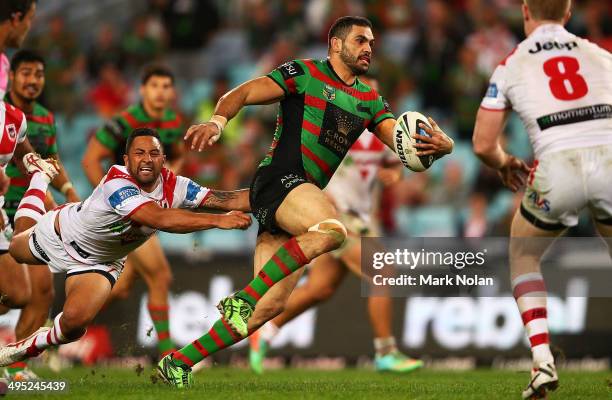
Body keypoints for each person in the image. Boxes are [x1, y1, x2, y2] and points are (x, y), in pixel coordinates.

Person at [157, 16, 453, 387]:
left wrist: (442, 148)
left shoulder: (370, 100)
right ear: (335, 44)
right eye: (360, 41)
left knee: (270, 307)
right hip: (278, 180)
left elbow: (404, 147)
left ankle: (180, 361)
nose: (368, 49)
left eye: (372, 43)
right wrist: (217, 122)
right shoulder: (305, 72)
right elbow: (245, 93)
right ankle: (243, 298)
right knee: (332, 230)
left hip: (296, 199)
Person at [0, 128, 252, 368]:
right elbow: (159, 219)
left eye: (154, 154)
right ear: (126, 159)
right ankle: (40, 178)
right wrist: (219, 220)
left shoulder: (176, 185)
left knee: (74, 324)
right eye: (139, 153)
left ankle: (25, 348)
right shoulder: (116, 181)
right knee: (16, 245)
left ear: (163, 159)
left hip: (102, 262)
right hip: (61, 235)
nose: (146, 159)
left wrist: (276, 193)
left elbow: (227, 198)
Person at [472, 1, 612, 398]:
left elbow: (483, 143)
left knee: (524, 254)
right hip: (609, 159)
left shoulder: (512, 63)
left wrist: (505, 162)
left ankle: (542, 361)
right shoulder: (600, 54)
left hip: (557, 166)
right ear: (568, 14)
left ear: (525, 11)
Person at [249, 78, 422, 374]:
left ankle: (263, 331)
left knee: (320, 288)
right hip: (335, 217)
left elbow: (395, 165)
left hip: (365, 220)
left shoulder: (382, 134)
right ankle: (385, 351)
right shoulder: (339, 131)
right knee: (382, 271)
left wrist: (395, 178)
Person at [82, 65, 184, 358]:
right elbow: (91, 160)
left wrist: (169, 179)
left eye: (166, 87)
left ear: (172, 92)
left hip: (146, 213)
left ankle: (59, 326)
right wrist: (115, 200)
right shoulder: (123, 122)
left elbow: (177, 155)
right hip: (125, 215)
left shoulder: (173, 122)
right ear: (142, 90)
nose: (161, 92)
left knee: (123, 286)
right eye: (155, 86)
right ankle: (168, 357)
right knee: (160, 276)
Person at [1, 50, 80, 381]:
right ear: (12, 77)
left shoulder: (43, 118)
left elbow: (47, 158)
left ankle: (15, 367)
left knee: (40, 293)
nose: (33, 81)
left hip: (32, 213)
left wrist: (71, 192)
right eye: (26, 74)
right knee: (14, 294)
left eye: (39, 74)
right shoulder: (3, 111)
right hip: (9, 208)